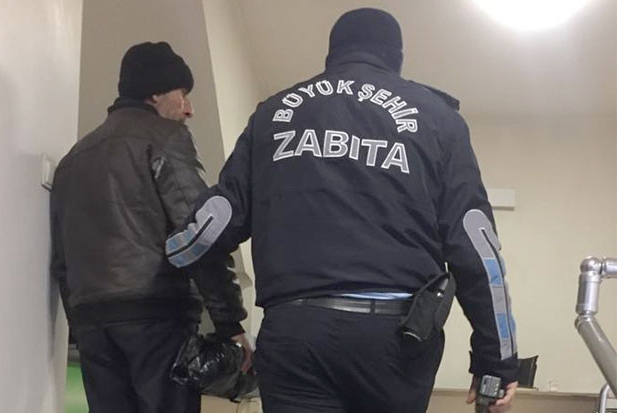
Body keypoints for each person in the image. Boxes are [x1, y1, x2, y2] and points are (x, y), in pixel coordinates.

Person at [165, 8, 518, 413]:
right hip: (396, 338)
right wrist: (496, 361)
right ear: (396, 57)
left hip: (296, 332)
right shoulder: (438, 119)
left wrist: (170, 253)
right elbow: (476, 246)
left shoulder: (272, 115)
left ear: (332, 54)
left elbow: (214, 224)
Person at [50, 41, 251, 413]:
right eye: (182, 94)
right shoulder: (165, 138)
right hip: (157, 318)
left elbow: (62, 260)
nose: (188, 109)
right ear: (156, 92)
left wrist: (79, 322)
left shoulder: (72, 160)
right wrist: (230, 324)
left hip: (92, 325)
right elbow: (200, 235)